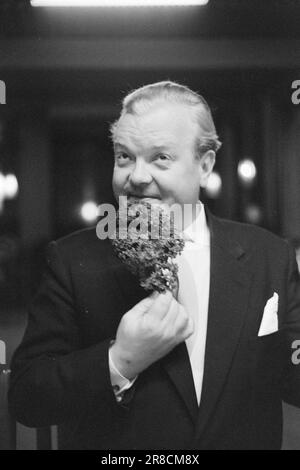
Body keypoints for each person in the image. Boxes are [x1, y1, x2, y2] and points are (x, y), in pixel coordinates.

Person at [8, 81, 300, 450]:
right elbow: (28, 397)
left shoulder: (268, 254)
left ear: (205, 165)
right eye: (125, 156)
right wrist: (121, 359)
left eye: (160, 157)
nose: (136, 177)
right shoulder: (72, 260)